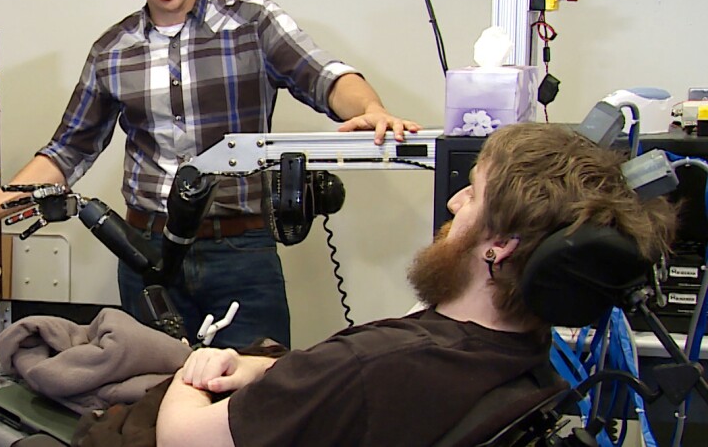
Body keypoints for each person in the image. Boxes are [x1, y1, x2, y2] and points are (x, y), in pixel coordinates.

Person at [0, 0, 421, 349]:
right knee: (153, 404)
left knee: (253, 400)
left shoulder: (253, 23)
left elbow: (325, 76)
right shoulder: (112, 51)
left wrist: (372, 109)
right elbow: (67, 150)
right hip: (146, 255)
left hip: (240, 252)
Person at [153, 122, 678, 447]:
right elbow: (340, 390)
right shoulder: (522, 352)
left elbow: (182, 440)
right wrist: (263, 369)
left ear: (501, 247)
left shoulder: (377, 366)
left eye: (471, 195)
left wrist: (192, 372)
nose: (453, 203)